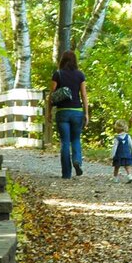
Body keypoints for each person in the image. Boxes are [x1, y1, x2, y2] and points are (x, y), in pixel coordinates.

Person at [50, 50, 88, 179]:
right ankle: (77, 160)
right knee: (76, 139)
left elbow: (52, 95)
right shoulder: (80, 75)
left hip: (62, 112)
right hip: (77, 111)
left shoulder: (58, 74)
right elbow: (84, 95)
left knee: (65, 142)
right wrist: (86, 113)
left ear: (62, 60)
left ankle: (66, 173)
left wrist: (49, 112)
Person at [110, 119, 132, 183]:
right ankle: (129, 176)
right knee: (127, 166)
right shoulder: (128, 136)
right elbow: (131, 145)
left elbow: (114, 148)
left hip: (118, 155)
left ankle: (115, 178)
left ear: (117, 128)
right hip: (127, 154)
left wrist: (112, 155)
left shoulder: (117, 138)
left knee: (116, 167)